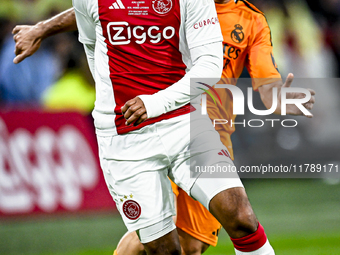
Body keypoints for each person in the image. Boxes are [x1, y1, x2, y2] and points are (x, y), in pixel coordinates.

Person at [11, 1, 313, 254]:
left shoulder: (250, 20)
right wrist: (42, 29)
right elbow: (94, 14)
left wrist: (277, 97)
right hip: (139, 129)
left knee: (197, 242)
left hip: (202, 130)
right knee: (156, 243)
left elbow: (265, 79)